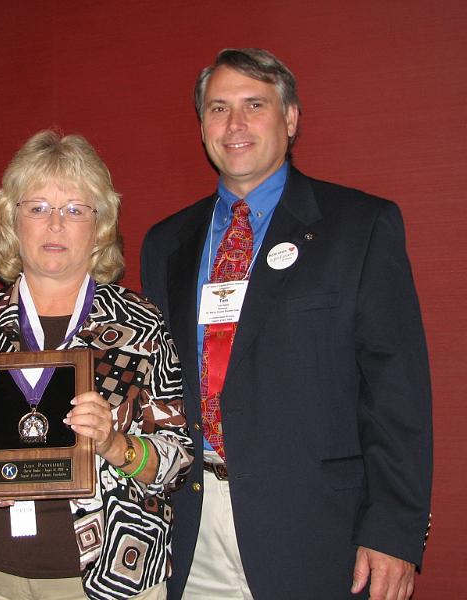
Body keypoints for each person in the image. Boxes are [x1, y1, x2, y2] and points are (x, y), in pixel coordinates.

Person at [140, 48, 432, 600]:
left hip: (316, 536)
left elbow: (398, 393)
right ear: (202, 124)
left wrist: (394, 530)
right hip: (189, 532)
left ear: (290, 118)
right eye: (219, 108)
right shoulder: (166, 244)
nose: (236, 124)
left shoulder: (360, 228)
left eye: (255, 104)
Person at [0, 130, 194, 600]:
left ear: (99, 226)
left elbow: (178, 459)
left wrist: (115, 443)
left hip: (111, 579)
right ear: (12, 220)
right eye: (38, 207)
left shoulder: (141, 327)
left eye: (74, 209)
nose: (55, 225)